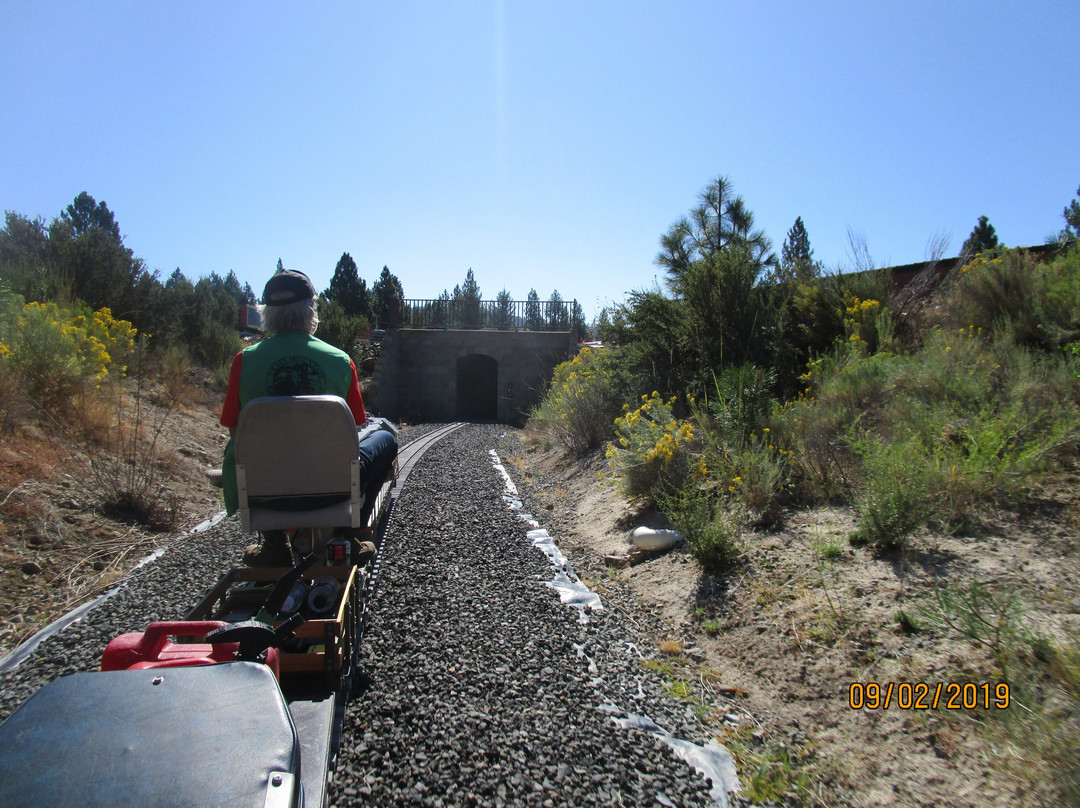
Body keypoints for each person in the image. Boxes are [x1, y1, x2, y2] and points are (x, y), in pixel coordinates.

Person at [219, 268, 398, 566]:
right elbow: (354, 428)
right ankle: (347, 535)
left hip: (266, 491)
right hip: (332, 487)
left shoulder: (244, 361)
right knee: (385, 441)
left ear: (267, 314)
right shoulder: (340, 361)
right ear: (311, 310)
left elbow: (235, 431)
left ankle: (275, 545)